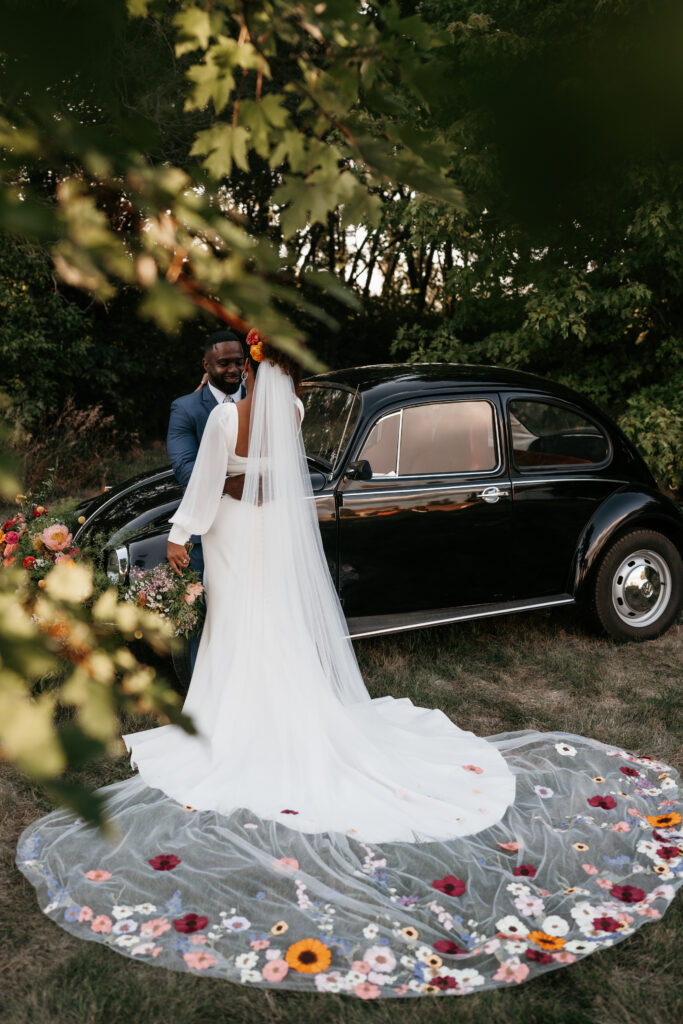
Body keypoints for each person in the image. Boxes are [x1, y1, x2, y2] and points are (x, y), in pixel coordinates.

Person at [16, 338, 682, 999]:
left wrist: (184, 536)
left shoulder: (226, 419)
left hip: (233, 533)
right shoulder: (295, 418)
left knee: (239, 630)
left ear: (248, 371)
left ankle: (232, 716)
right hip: (266, 532)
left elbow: (204, 488)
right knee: (266, 630)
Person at [166, 329, 247, 670]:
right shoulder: (185, 408)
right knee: (208, 617)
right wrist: (236, 484)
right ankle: (205, 696)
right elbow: (186, 469)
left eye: (238, 363)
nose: (232, 370)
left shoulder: (263, 403)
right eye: (223, 363)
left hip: (258, 524)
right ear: (206, 364)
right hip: (207, 529)